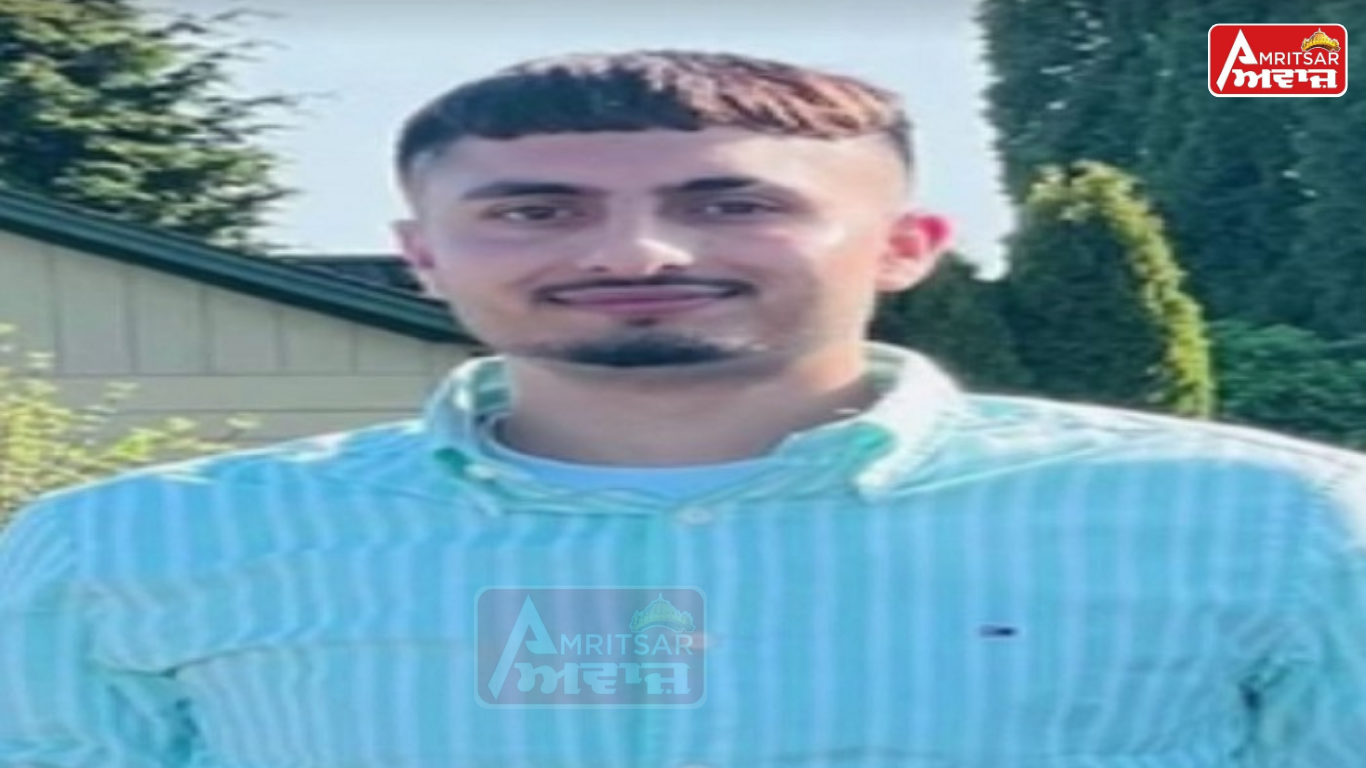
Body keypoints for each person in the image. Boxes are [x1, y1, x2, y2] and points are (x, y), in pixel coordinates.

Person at [1, 50, 1363, 768]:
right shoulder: (130, 552)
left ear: (906, 245)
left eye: (731, 202)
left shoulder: (1272, 528)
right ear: (422, 254)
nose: (637, 253)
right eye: (535, 210)